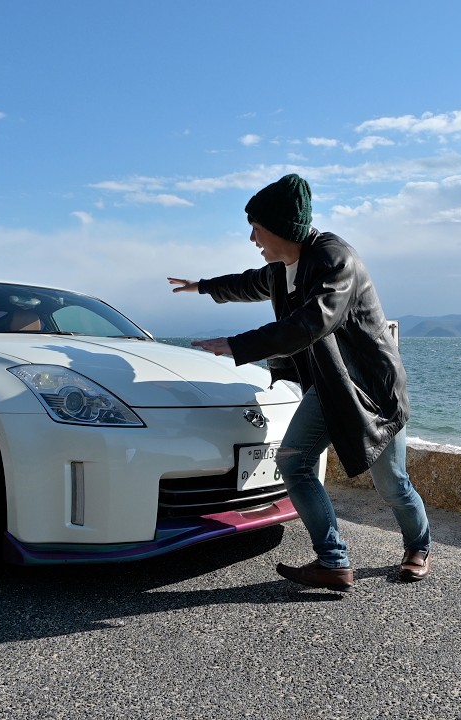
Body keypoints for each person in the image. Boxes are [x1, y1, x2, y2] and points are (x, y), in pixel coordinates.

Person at [168, 173, 430, 591]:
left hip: (372, 389)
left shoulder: (334, 258)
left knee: (392, 484)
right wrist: (201, 286)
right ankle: (334, 561)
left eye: (257, 229)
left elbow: (313, 322)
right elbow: (249, 282)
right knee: (293, 460)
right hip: (330, 386)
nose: (253, 239)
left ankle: (418, 547)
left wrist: (237, 346)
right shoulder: (282, 266)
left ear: (281, 228)